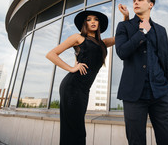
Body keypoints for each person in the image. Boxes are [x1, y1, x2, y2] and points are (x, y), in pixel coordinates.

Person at [46, 9, 128, 145]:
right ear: (85, 23)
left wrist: (125, 16)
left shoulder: (102, 43)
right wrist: (72, 68)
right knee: (75, 128)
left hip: (84, 89)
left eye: (95, 19)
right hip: (72, 87)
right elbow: (51, 54)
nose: (93, 22)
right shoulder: (78, 38)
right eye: (89, 19)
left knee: (76, 127)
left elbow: (119, 37)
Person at [115, 0, 168, 145]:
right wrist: (141, 32)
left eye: (140, 0)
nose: (136, 2)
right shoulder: (124, 27)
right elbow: (122, 52)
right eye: (134, 0)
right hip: (134, 95)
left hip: (162, 93)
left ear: (150, 4)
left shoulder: (161, 30)